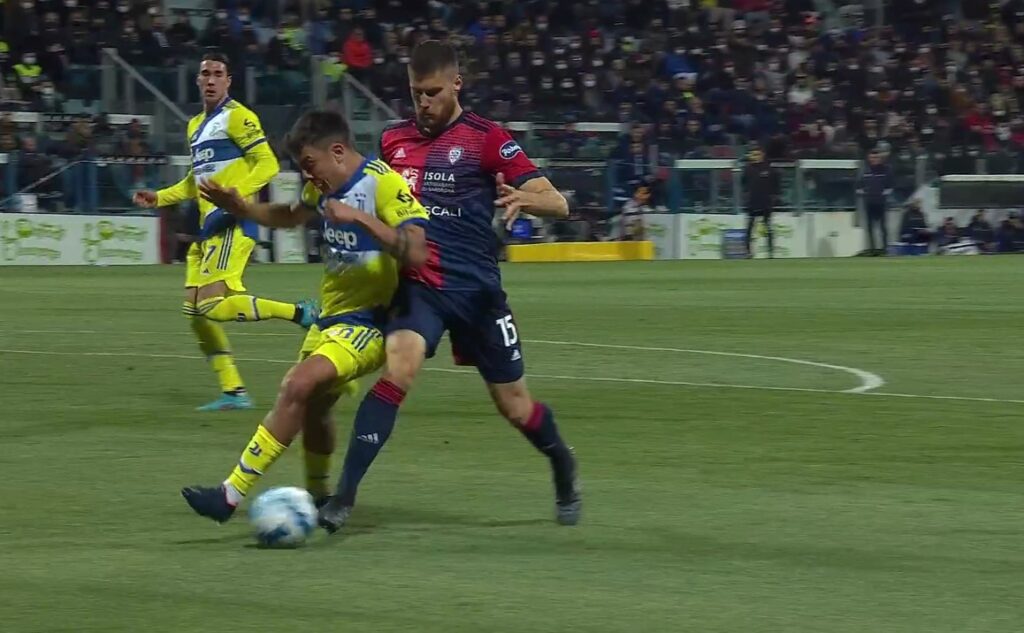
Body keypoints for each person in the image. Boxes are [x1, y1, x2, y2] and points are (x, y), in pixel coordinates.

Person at [317, 40, 582, 533]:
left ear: (457, 84)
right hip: (421, 289)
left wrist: (525, 199)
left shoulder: (487, 138)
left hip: (478, 294)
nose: (424, 102)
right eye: (416, 92)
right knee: (399, 370)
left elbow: (560, 203)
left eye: (433, 92)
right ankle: (343, 498)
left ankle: (562, 463)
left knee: (515, 406)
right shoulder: (393, 140)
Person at [181, 109, 429, 521]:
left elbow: (418, 251)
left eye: (310, 164)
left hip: (369, 322)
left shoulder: (382, 183)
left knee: (297, 384)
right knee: (314, 407)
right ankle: (316, 498)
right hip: (330, 319)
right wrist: (243, 209)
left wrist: (361, 218)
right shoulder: (323, 187)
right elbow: (291, 215)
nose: (306, 175)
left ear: (338, 151)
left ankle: (228, 495)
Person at [133, 52, 318, 412]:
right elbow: (195, 181)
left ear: (228, 81)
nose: (211, 79)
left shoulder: (238, 116)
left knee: (211, 306)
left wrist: (237, 196)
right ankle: (234, 391)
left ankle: (300, 312)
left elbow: (267, 163)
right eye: (206, 73)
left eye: (218, 73)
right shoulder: (195, 125)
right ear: (198, 80)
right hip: (209, 226)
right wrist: (159, 197)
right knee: (195, 312)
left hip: (232, 220)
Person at [743, 145, 778, 258]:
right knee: (750, 228)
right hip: (752, 202)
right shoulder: (747, 169)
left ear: (762, 155)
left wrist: (773, 199)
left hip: (766, 202)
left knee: (768, 227)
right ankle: (748, 252)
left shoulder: (769, 169)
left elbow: (775, 185)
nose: (755, 156)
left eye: (757, 154)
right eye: (753, 154)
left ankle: (771, 252)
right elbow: (743, 184)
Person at [857, 149, 892, 256]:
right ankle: (872, 249)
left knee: (883, 227)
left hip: (881, 202)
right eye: (872, 157)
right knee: (869, 227)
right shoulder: (865, 171)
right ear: (868, 158)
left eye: (876, 157)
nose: (874, 159)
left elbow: (891, 186)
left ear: (880, 158)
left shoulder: (886, 170)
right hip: (869, 202)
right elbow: (858, 186)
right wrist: (864, 193)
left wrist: (883, 195)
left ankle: (885, 249)